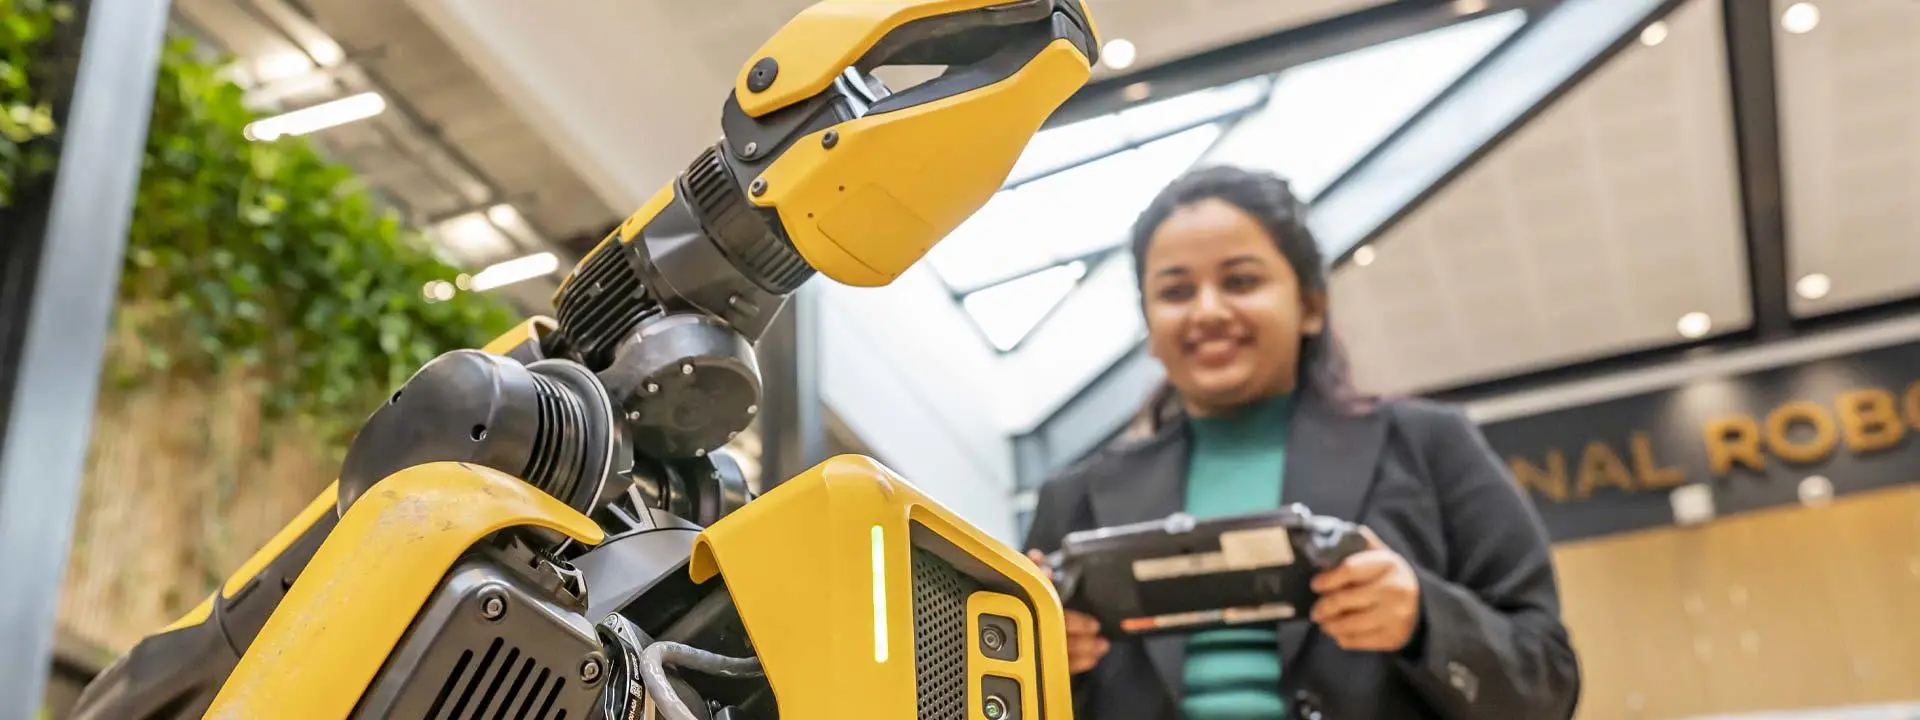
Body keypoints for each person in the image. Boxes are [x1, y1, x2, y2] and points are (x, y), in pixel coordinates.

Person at [1022, 166, 1580, 719]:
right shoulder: (1073, 500)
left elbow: (1548, 681)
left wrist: (1422, 620)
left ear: (1310, 306)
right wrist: (1040, 666)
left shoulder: (1430, 446)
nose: (1207, 311)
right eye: (1175, 292)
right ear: (1148, 324)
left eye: (1241, 281)